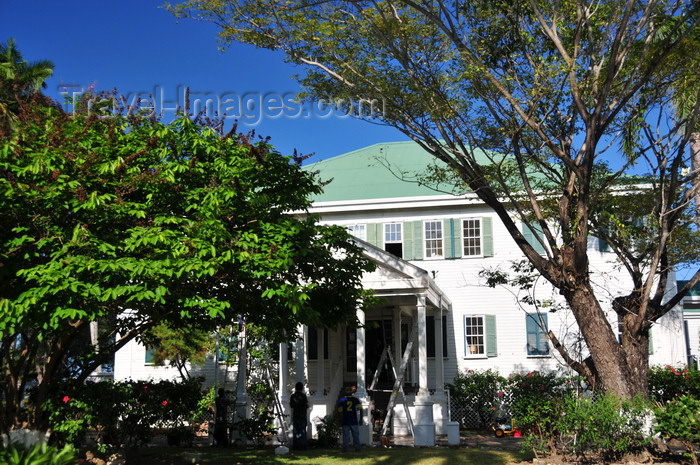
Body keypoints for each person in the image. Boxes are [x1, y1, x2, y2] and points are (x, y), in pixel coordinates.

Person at [337, 385, 362, 452]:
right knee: (356, 436)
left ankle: (346, 449)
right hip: (354, 420)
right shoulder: (355, 400)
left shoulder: (342, 400)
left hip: (345, 420)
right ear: (352, 392)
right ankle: (357, 448)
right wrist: (361, 419)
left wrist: (340, 420)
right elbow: (361, 409)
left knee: (345, 436)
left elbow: (340, 411)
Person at [289, 382, 309, 450]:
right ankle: (303, 446)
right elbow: (306, 405)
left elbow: (291, 405)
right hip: (302, 416)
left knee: (296, 431)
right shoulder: (303, 396)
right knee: (302, 431)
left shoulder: (293, 396)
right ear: (302, 388)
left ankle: (296, 446)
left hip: (296, 416)